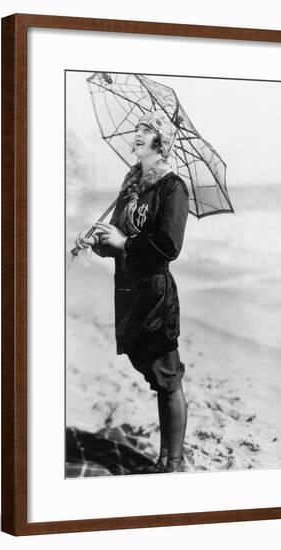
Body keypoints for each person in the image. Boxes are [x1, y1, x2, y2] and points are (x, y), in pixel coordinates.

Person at [76, 110, 189, 473]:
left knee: (168, 379)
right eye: (137, 129)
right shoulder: (132, 184)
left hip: (154, 297)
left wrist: (124, 241)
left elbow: (168, 246)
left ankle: (171, 463)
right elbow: (116, 242)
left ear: (160, 141)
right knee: (157, 378)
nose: (136, 135)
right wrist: (96, 241)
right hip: (128, 293)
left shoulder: (172, 187)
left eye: (145, 130)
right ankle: (163, 459)